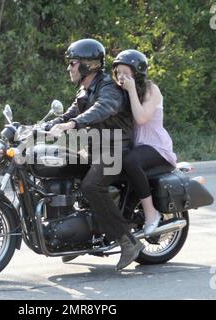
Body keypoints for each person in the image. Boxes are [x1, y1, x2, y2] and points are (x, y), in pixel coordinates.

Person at [46, 39, 144, 270]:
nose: (69, 68)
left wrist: (73, 125)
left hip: (115, 149)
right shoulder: (84, 89)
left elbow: (102, 108)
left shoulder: (108, 87)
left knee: (92, 186)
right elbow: (67, 116)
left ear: (88, 65)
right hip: (94, 149)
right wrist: (34, 128)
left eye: (73, 63)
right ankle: (74, 238)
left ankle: (127, 241)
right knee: (61, 171)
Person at [112, 49, 177, 236]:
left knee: (131, 161)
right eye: (118, 72)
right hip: (137, 147)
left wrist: (131, 91)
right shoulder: (119, 92)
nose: (121, 77)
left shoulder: (151, 90)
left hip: (156, 148)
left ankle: (151, 213)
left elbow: (141, 118)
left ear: (137, 73)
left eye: (126, 72)